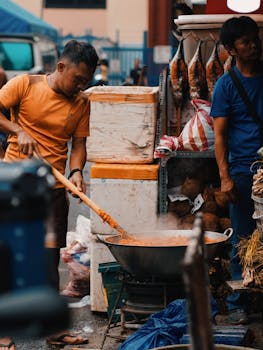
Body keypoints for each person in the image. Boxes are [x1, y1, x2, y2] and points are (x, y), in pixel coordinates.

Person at [0, 39, 98, 348]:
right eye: (78, 79)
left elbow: (78, 145)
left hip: (53, 192)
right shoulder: (25, 85)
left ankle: (53, 330)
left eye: (86, 82)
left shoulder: (82, 103)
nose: (80, 87)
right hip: (14, 188)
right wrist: (19, 131)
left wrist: (77, 171)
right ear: (61, 67)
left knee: (46, 260)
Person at [210, 16, 263, 325]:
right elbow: (219, 136)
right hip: (244, 171)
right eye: (245, 41)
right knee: (242, 242)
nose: (254, 44)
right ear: (231, 49)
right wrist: (225, 177)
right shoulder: (226, 85)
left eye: (255, 38)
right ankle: (239, 302)